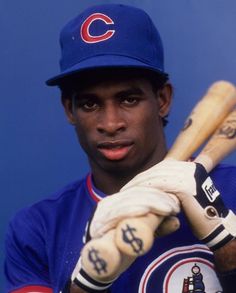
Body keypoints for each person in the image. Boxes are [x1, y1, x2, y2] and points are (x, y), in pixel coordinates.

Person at [4, 4, 236, 293]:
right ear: (69, 109)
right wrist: (86, 282)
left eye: (128, 99)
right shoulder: (36, 228)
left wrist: (226, 239)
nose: (111, 124)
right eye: (90, 103)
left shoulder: (233, 188)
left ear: (162, 100)